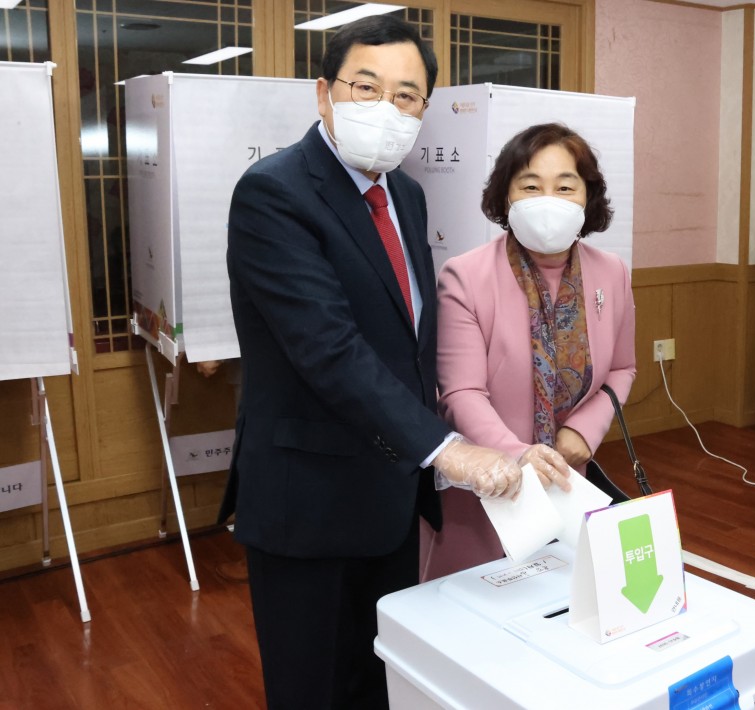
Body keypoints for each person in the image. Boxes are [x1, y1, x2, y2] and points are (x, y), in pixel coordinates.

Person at [218, 15, 523, 709]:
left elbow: (410, 339)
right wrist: (447, 450)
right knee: (313, 691)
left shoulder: (404, 195)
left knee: (379, 683)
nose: (387, 109)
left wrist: (487, 438)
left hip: (388, 496)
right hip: (309, 502)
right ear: (325, 94)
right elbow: (330, 351)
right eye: (367, 86)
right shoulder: (275, 194)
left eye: (407, 95)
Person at [420, 123, 637, 580]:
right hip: (488, 490)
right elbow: (460, 392)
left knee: (566, 608)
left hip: (570, 481)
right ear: (505, 197)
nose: (549, 200)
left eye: (565, 186)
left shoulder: (612, 272)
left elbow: (622, 368)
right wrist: (517, 455)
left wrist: (584, 431)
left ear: (587, 197)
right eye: (531, 186)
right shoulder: (466, 275)